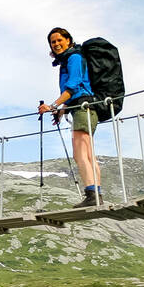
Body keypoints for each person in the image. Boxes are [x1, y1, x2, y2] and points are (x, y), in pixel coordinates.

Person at [38, 27, 101, 208]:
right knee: (88, 154)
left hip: (83, 108)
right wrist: (62, 111)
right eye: (53, 42)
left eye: (59, 40)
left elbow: (73, 87)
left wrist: (53, 106)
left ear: (68, 40)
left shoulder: (74, 58)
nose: (56, 44)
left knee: (81, 154)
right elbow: (77, 91)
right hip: (83, 107)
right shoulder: (70, 59)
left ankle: (92, 195)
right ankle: (95, 194)